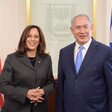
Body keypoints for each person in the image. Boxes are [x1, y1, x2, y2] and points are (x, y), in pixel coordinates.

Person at [57, 14, 112, 112]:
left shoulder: (105, 52)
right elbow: (61, 86)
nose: (82, 31)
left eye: (85, 27)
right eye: (78, 27)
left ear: (92, 27)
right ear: (72, 30)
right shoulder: (64, 52)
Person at [0, 25, 55, 112]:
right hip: (16, 109)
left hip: (39, 108)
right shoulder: (12, 58)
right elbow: (2, 85)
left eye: (36, 36)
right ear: (24, 38)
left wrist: (43, 91)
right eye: (29, 36)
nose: (32, 39)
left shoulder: (47, 59)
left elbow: (51, 82)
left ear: (40, 40)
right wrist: (25, 93)